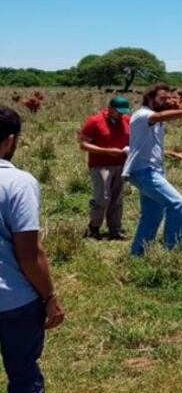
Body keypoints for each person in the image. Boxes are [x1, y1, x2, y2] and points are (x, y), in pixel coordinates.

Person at [0, 106, 65, 392]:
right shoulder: (17, 183)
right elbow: (29, 252)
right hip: (12, 301)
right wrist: (49, 295)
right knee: (24, 374)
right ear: (9, 140)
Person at [123, 84, 182, 256]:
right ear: (151, 99)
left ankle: (137, 255)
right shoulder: (143, 115)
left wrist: (173, 154)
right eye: (162, 98)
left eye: (168, 98)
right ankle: (173, 251)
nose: (166, 101)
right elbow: (159, 116)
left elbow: (147, 146)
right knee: (177, 203)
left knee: (152, 215)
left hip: (152, 170)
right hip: (144, 171)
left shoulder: (156, 121)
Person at [79, 96, 132, 240]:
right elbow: (83, 144)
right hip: (101, 165)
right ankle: (94, 228)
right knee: (102, 197)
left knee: (117, 198)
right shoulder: (95, 121)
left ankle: (115, 229)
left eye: (124, 112)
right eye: (119, 112)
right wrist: (106, 151)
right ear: (110, 109)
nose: (122, 115)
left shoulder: (127, 121)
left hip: (121, 164)